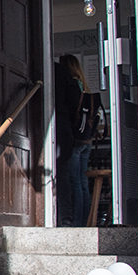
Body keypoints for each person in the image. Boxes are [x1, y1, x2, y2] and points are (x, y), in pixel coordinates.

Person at [60, 54, 97, 226]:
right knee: (82, 181)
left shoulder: (71, 84)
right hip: (87, 139)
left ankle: (76, 222)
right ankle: (84, 221)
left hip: (75, 139)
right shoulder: (85, 86)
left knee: (74, 181)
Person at [54, 56, 80, 227]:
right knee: (64, 174)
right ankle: (66, 218)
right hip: (64, 127)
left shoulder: (47, 70)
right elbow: (74, 103)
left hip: (55, 125)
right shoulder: (63, 72)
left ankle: (63, 217)